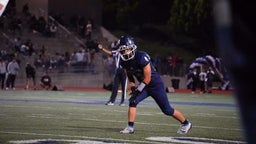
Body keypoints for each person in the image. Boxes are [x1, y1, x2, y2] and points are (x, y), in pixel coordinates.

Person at [116, 35, 192, 134]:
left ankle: (186, 123)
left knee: (167, 110)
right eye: (123, 50)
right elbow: (130, 75)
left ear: (132, 47)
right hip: (144, 86)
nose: (125, 52)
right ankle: (130, 127)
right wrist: (133, 87)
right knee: (133, 101)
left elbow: (148, 78)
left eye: (127, 49)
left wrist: (138, 90)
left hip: (155, 85)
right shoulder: (124, 61)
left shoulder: (141, 56)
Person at [98, 41, 128, 106]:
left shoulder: (127, 52)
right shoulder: (117, 52)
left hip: (124, 71)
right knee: (115, 87)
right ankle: (112, 101)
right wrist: (102, 48)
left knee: (124, 87)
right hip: (118, 70)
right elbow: (110, 52)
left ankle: (122, 101)